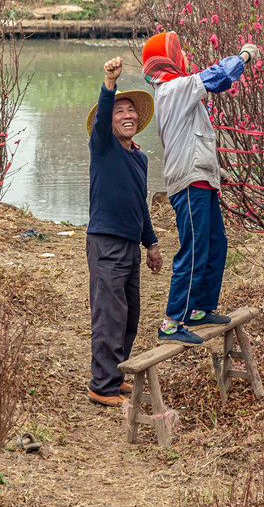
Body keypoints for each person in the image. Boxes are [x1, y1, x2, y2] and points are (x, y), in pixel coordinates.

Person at [141, 31, 259, 346]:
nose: (182, 55)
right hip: (189, 182)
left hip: (202, 179)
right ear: (167, 59)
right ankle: (170, 323)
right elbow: (219, 76)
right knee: (193, 250)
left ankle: (198, 310)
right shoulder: (173, 89)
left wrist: (217, 174)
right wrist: (244, 56)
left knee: (216, 244)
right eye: (176, 51)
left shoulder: (178, 92)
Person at [85, 56, 163, 407]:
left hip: (131, 246)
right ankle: (101, 386)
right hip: (106, 242)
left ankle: (115, 375)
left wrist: (152, 243)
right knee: (108, 313)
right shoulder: (103, 148)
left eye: (130, 111)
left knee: (130, 314)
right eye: (119, 112)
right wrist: (109, 84)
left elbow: (139, 204)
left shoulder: (140, 158)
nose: (126, 116)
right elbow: (102, 119)